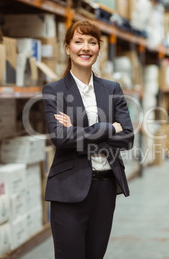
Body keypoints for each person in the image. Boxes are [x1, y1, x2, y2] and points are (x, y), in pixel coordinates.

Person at [42, 20, 134, 259]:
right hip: (69, 188)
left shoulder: (112, 89)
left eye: (92, 42)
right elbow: (61, 138)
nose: (86, 48)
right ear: (67, 48)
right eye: (79, 41)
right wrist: (107, 128)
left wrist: (79, 131)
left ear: (98, 49)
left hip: (105, 189)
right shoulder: (54, 91)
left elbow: (127, 137)